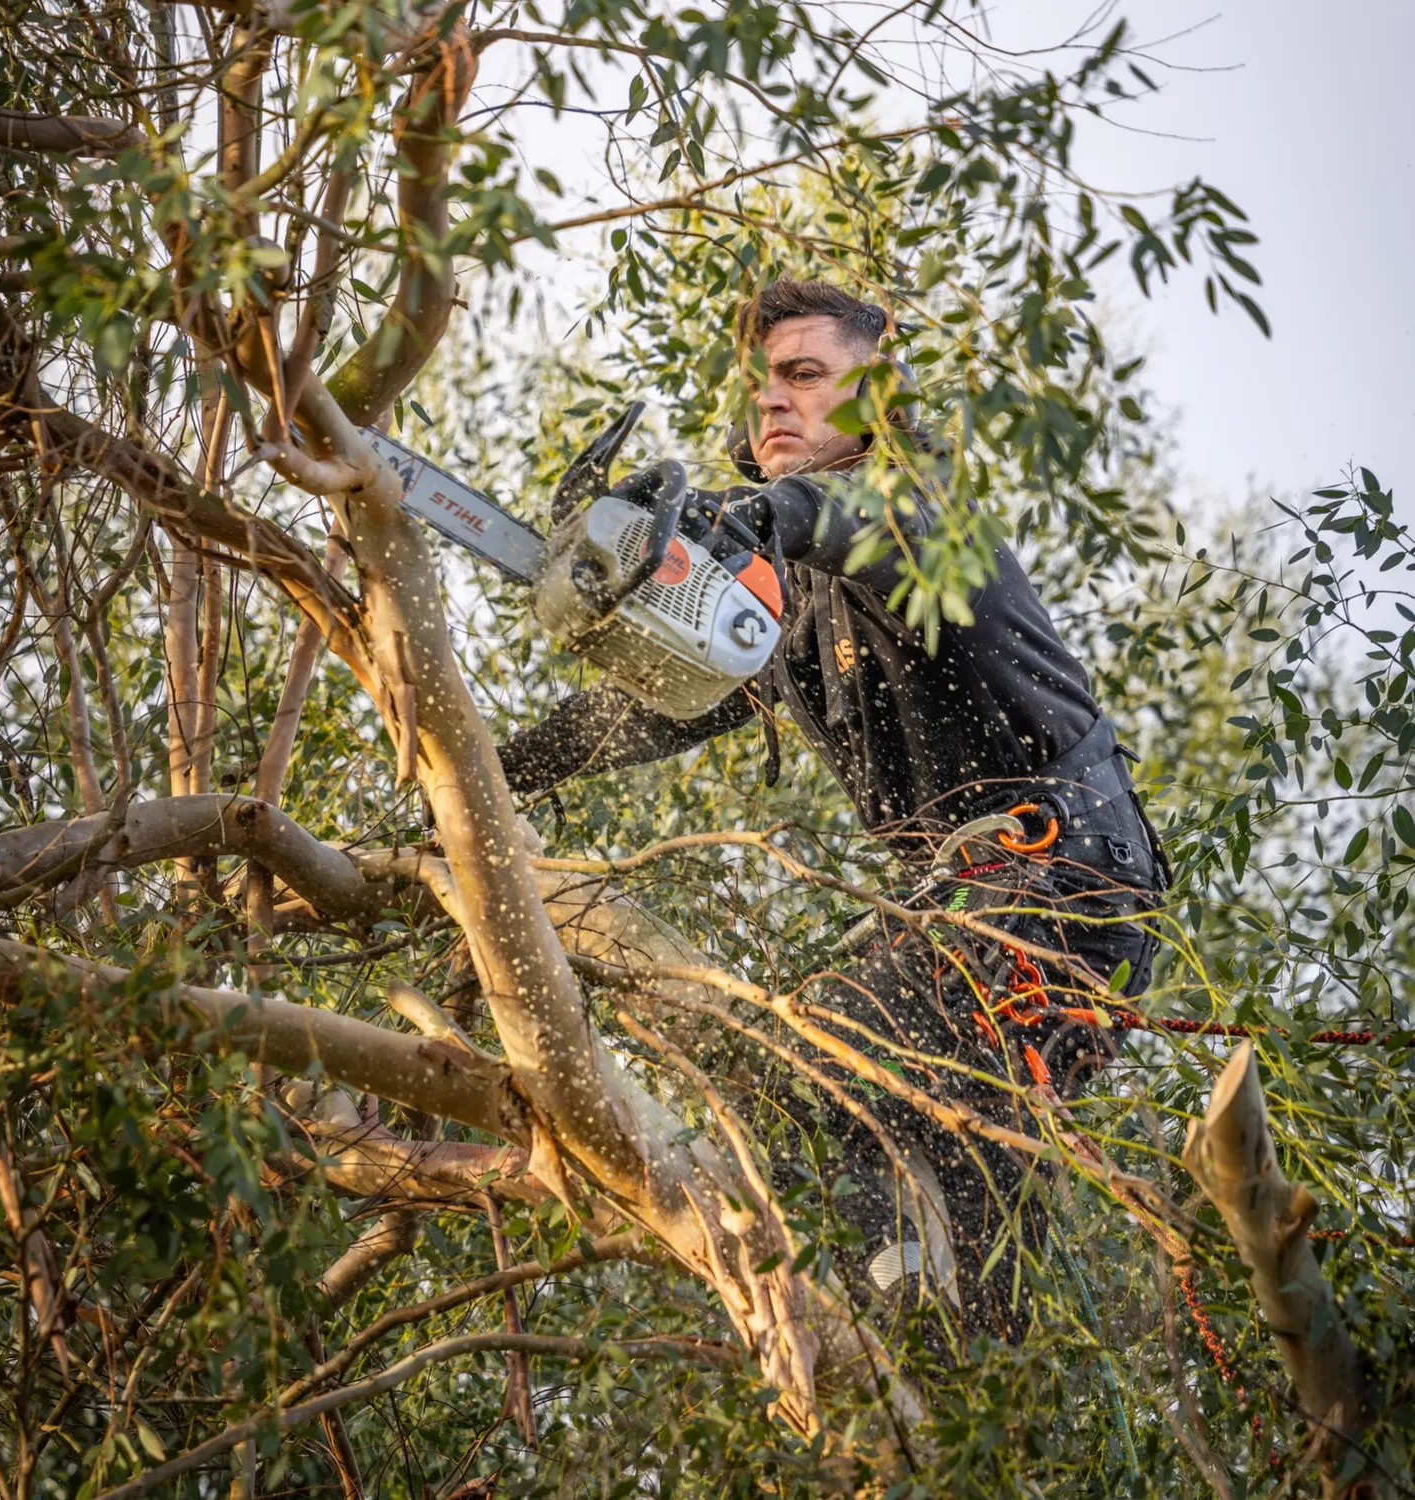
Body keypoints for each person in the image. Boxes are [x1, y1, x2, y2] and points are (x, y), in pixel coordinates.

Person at [498, 278, 1170, 1340]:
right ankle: (980, 1384)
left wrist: (743, 517)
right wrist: (497, 771)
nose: (775, 403)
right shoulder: (788, 597)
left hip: (1058, 879)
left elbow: (832, 518)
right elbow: (665, 709)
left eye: (806, 378)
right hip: (973, 909)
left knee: (813, 1056)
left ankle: (898, 1312)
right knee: (965, 1168)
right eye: (764, 384)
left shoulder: (913, 510)